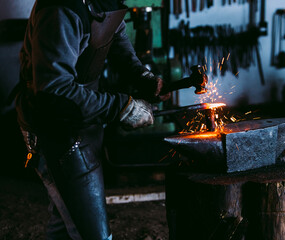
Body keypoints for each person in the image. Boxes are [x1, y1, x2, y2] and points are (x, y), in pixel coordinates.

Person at [15, 0, 170, 239]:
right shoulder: (60, 10)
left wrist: (141, 76)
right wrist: (122, 106)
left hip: (83, 121)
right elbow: (54, 90)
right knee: (90, 232)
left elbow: (114, 34)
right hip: (54, 130)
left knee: (66, 217)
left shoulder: (102, 1)